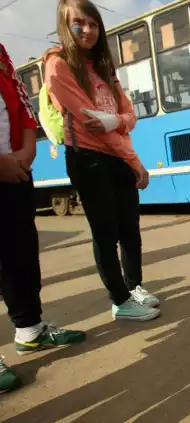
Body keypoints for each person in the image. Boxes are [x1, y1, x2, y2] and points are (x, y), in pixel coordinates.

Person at [43, 0, 160, 322]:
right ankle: (120, 301)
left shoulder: (104, 67)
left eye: (94, 23)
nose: (88, 29)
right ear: (64, 25)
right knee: (106, 232)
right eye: (79, 22)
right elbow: (89, 121)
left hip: (118, 156)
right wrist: (134, 159)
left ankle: (134, 286)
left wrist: (116, 123)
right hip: (89, 158)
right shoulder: (58, 65)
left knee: (130, 230)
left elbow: (129, 117)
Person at [0, 43, 85, 393]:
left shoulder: (3, 54)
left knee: (21, 255)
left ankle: (30, 331)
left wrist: (24, 152)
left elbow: (21, 109)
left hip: (16, 169)